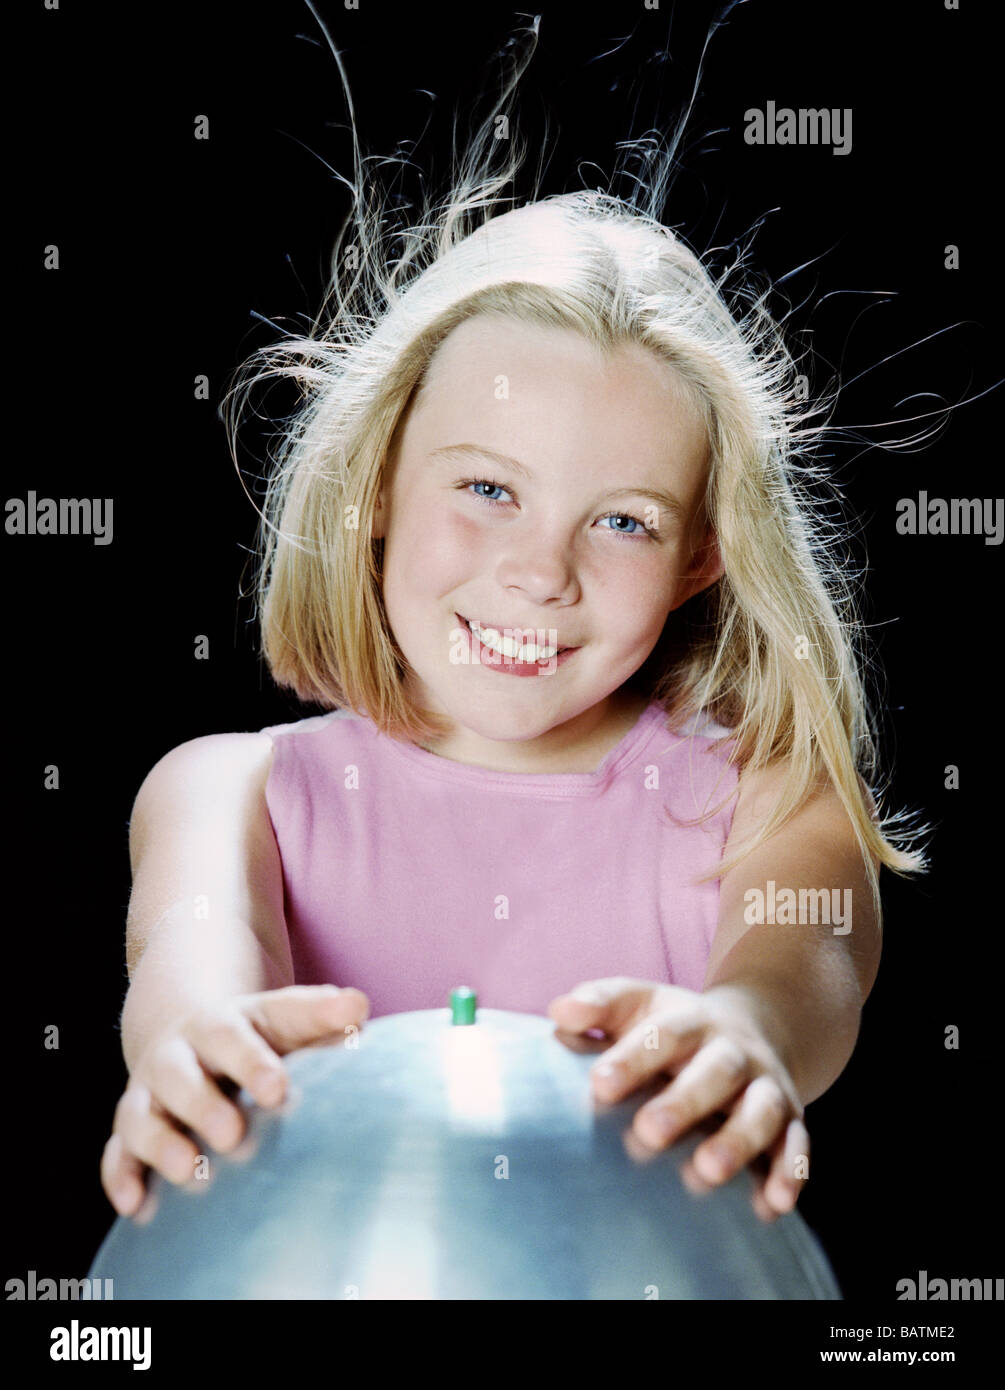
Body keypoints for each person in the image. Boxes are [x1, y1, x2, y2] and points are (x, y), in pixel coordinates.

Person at [99, 28, 928, 1232]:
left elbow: (810, 972)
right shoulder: (229, 793)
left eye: (626, 522)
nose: (540, 573)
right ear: (377, 481)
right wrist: (192, 1046)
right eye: (487, 489)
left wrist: (747, 1032)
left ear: (705, 554)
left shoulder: (768, 798)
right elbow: (191, 954)